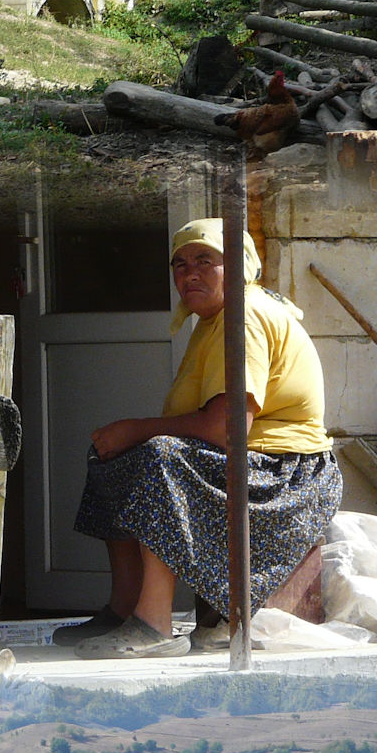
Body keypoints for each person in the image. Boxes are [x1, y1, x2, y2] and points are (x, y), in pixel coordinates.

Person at [74, 215, 343, 650]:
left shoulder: (245, 314)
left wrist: (137, 429)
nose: (189, 273)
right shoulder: (212, 319)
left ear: (237, 266)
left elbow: (226, 429)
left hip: (287, 475)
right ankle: (123, 608)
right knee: (112, 459)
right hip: (250, 463)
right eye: (179, 263)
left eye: (205, 260)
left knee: (159, 455)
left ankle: (154, 624)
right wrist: (128, 438)